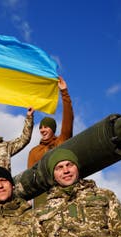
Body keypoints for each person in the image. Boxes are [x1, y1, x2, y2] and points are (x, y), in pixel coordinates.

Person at [27, 77, 74, 207]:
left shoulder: (61, 142)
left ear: (53, 129)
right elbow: (29, 177)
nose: (43, 130)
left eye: (46, 127)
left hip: (61, 192)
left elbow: (68, 120)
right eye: (41, 127)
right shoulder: (34, 152)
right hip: (41, 197)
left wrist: (64, 93)